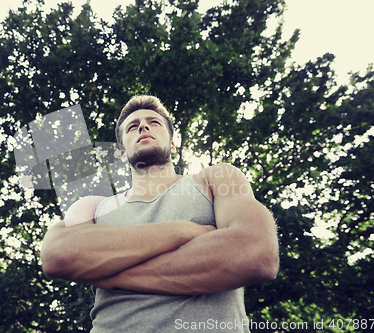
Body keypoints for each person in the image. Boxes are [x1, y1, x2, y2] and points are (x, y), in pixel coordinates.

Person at [41, 95, 279, 332]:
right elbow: (57, 255)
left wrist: (113, 274)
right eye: (132, 127)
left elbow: (257, 253)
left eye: (154, 122)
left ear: (173, 144)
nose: (143, 126)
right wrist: (184, 230)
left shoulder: (216, 180)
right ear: (123, 153)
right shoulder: (94, 206)